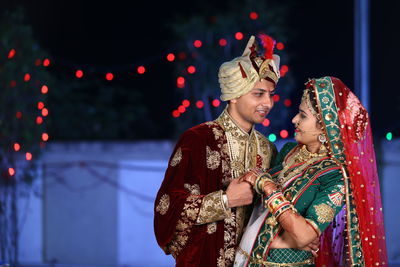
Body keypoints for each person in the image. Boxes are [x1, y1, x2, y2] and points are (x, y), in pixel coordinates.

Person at [154, 34, 281, 266]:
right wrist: (224, 200)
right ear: (234, 96)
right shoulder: (197, 140)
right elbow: (166, 209)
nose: (268, 103)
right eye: (258, 94)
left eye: (270, 95)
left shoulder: (267, 148)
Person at [234, 76, 388, 267]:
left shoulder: (334, 176)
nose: (294, 120)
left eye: (303, 115)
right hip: (251, 257)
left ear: (326, 129)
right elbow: (262, 213)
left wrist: (268, 187)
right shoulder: (288, 152)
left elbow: (303, 236)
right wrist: (278, 241)